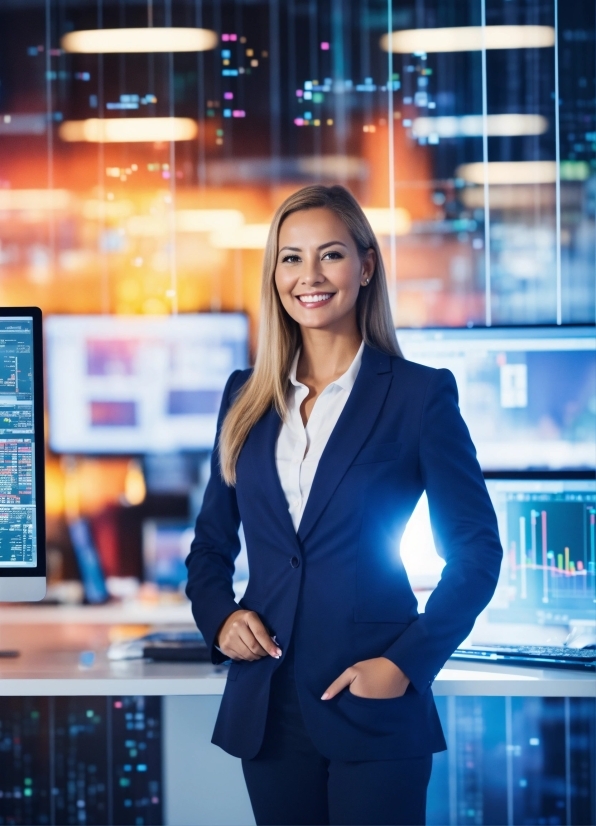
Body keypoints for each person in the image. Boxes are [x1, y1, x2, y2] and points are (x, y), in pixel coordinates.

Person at [186, 184, 503, 826]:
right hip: (269, 707)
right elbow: (210, 548)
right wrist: (220, 619)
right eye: (290, 258)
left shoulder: (419, 395)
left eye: (329, 255)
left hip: (373, 701)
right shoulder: (244, 396)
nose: (309, 276)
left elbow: (476, 553)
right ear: (274, 273)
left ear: (365, 266)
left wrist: (405, 664)